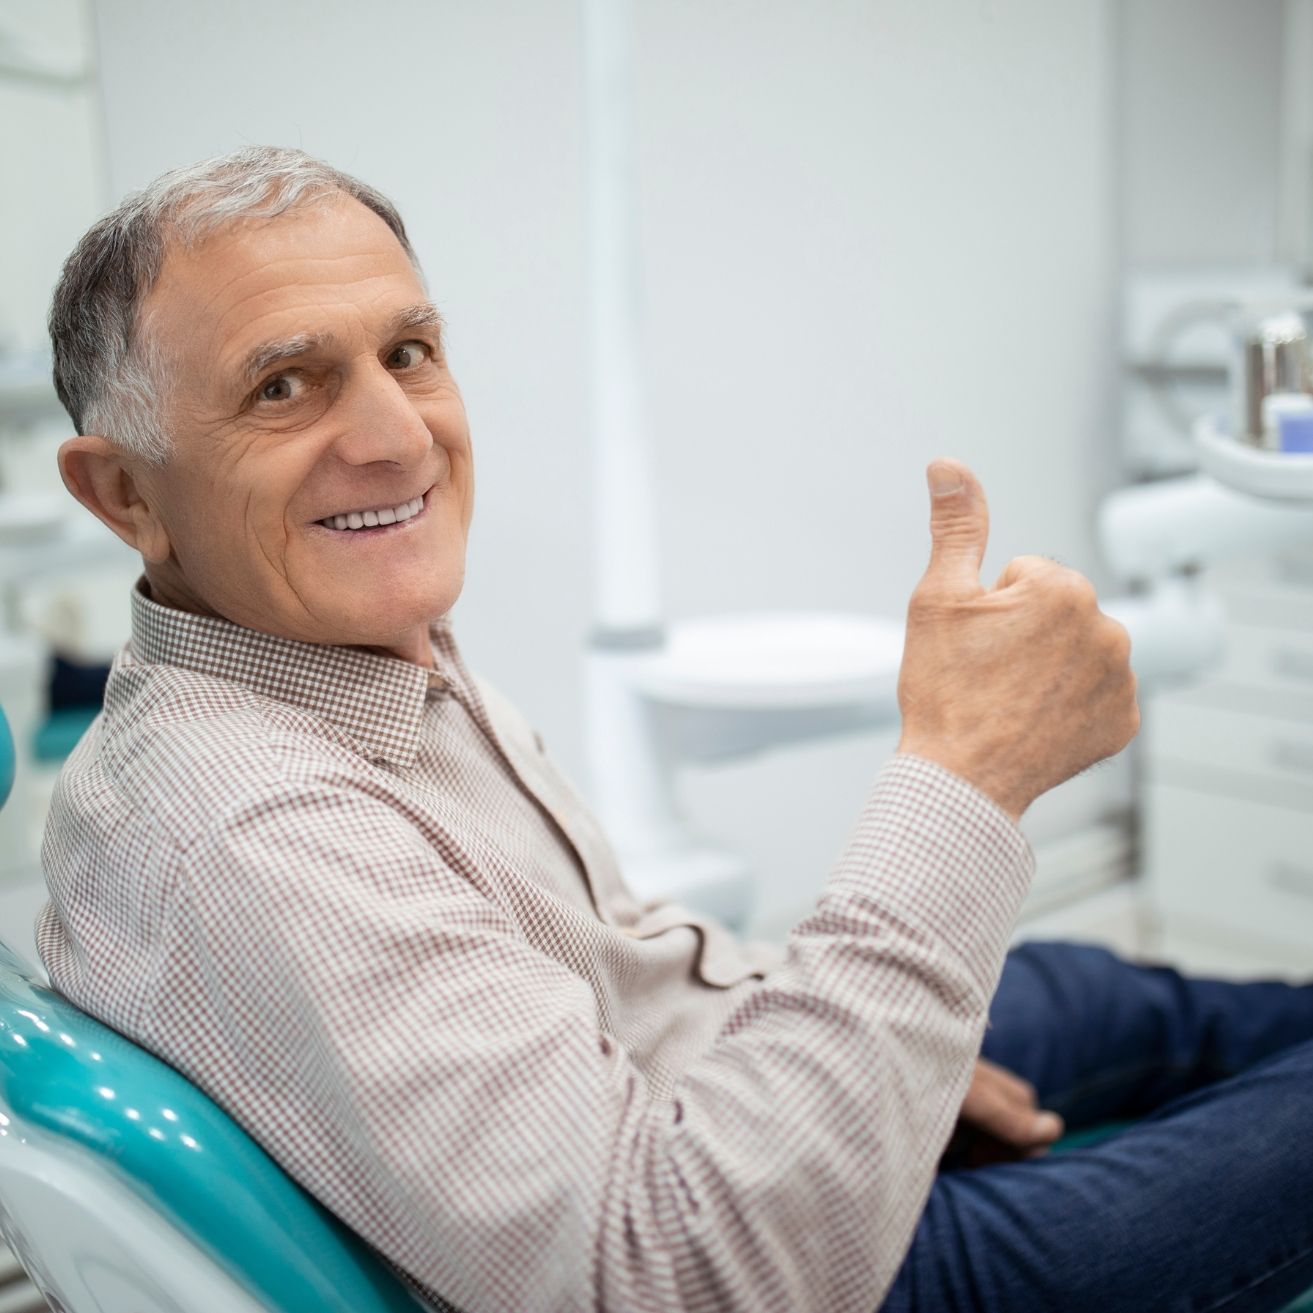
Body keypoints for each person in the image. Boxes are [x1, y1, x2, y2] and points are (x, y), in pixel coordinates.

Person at [36, 147, 1313, 1313]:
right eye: (282, 384)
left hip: (720, 1124)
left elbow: (622, 969)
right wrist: (965, 774)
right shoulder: (253, 823)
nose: (395, 435)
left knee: (1092, 990)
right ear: (124, 493)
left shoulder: (353, 660)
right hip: (772, 1261)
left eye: (409, 352)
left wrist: (874, 1077)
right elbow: (688, 1276)